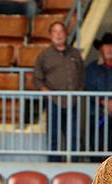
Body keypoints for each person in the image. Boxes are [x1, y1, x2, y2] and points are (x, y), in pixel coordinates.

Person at [34, 22, 85, 162]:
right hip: (54, 102)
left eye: (61, 31)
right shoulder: (44, 55)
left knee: (74, 135)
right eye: (55, 32)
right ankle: (54, 164)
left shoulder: (75, 53)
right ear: (50, 35)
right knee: (54, 136)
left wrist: (78, 92)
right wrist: (46, 91)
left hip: (73, 101)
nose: (58, 35)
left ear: (66, 34)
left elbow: (81, 75)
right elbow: (37, 78)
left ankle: (75, 164)